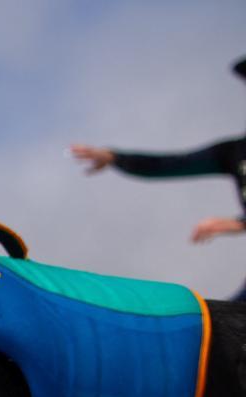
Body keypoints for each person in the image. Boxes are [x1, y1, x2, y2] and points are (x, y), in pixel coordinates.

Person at [70, 56, 246, 298]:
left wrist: (240, 223)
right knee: (217, 329)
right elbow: (171, 164)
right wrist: (115, 157)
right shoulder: (235, 151)